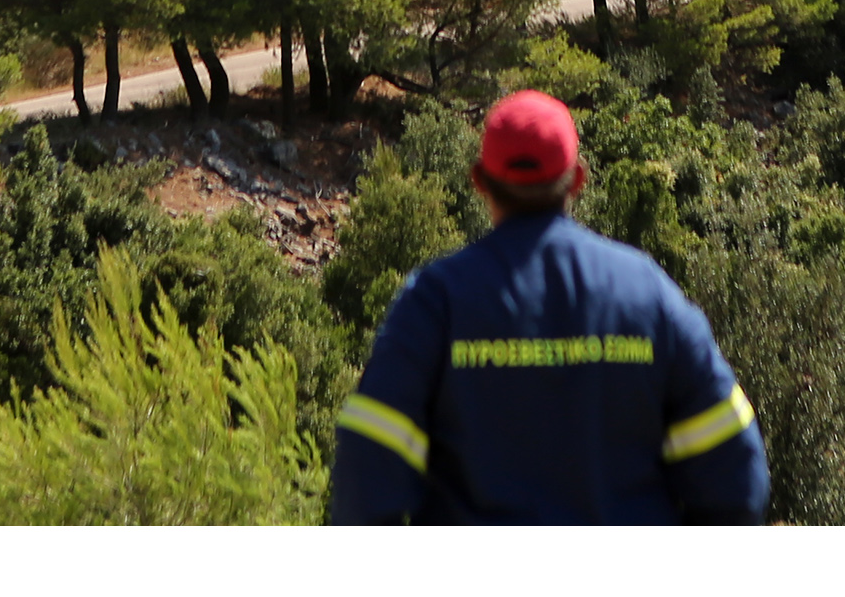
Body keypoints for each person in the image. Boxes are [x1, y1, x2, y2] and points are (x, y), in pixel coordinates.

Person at [328, 89, 770, 524]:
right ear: (578, 178)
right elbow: (737, 478)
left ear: (479, 180)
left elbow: (364, 479)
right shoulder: (648, 293)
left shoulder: (434, 301)